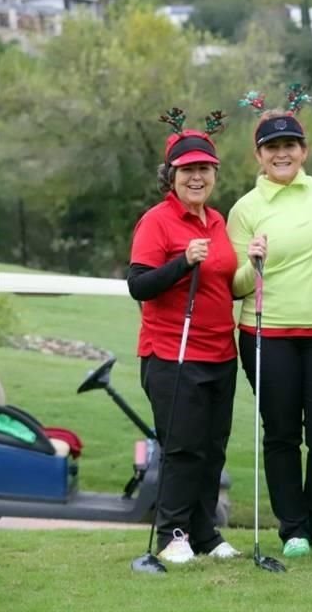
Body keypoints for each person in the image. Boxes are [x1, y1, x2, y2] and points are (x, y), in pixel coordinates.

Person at [227, 85, 312, 559]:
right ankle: (293, 526)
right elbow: (235, 285)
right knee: (281, 432)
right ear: (259, 155)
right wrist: (251, 262)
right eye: (272, 147)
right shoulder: (245, 208)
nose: (282, 154)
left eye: (290, 146)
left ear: (304, 151)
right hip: (266, 333)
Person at [127, 108, 240, 564]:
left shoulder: (217, 220)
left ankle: (204, 533)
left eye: (204, 169)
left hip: (219, 351)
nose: (197, 177)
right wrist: (182, 263)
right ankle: (173, 534)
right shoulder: (157, 221)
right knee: (183, 447)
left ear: (214, 174)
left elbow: (225, 283)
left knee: (212, 449)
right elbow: (139, 284)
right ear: (171, 175)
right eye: (187, 170)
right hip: (172, 352)